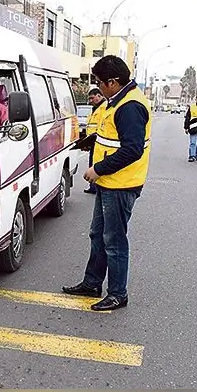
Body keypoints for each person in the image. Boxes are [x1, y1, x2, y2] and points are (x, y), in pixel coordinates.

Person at [63, 56, 152, 312]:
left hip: (120, 185)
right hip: (109, 182)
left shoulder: (130, 106)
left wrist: (97, 169)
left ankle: (118, 294)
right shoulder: (118, 100)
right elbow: (111, 136)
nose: (98, 88)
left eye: (100, 83)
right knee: (98, 235)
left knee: (114, 240)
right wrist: (88, 143)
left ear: (113, 82)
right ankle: (92, 283)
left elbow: (132, 150)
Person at [82, 87, 107, 193]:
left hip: (98, 141)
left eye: (92, 98)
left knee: (95, 163)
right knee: (92, 163)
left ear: (99, 96)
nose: (90, 101)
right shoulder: (95, 108)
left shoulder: (104, 107)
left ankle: (96, 187)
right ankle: (93, 186)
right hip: (92, 141)